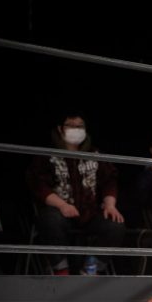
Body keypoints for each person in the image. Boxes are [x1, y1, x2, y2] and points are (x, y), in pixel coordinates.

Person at [26, 109, 126, 275]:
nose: (76, 129)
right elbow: (38, 184)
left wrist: (110, 204)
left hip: (89, 213)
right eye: (71, 125)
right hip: (60, 212)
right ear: (60, 129)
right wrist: (62, 205)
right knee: (50, 219)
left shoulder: (94, 154)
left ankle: (91, 269)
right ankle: (61, 269)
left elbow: (109, 180)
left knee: (115, 225)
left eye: (80, 126)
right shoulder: (48, 155)